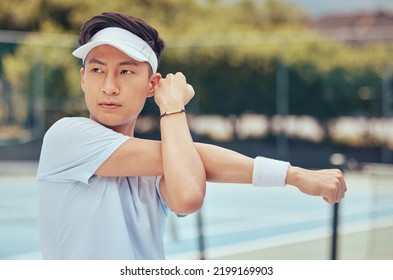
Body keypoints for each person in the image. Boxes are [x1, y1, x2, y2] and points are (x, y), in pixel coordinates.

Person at [36, 12, 347, 260]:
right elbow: (187, 161)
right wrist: (294, 175)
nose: (108, 86)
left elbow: (186, 197)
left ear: (151, 85)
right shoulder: (66, 136)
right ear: (82, 78)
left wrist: (172, 113)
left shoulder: (171, 155)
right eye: (97, 70)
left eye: (126, 71)